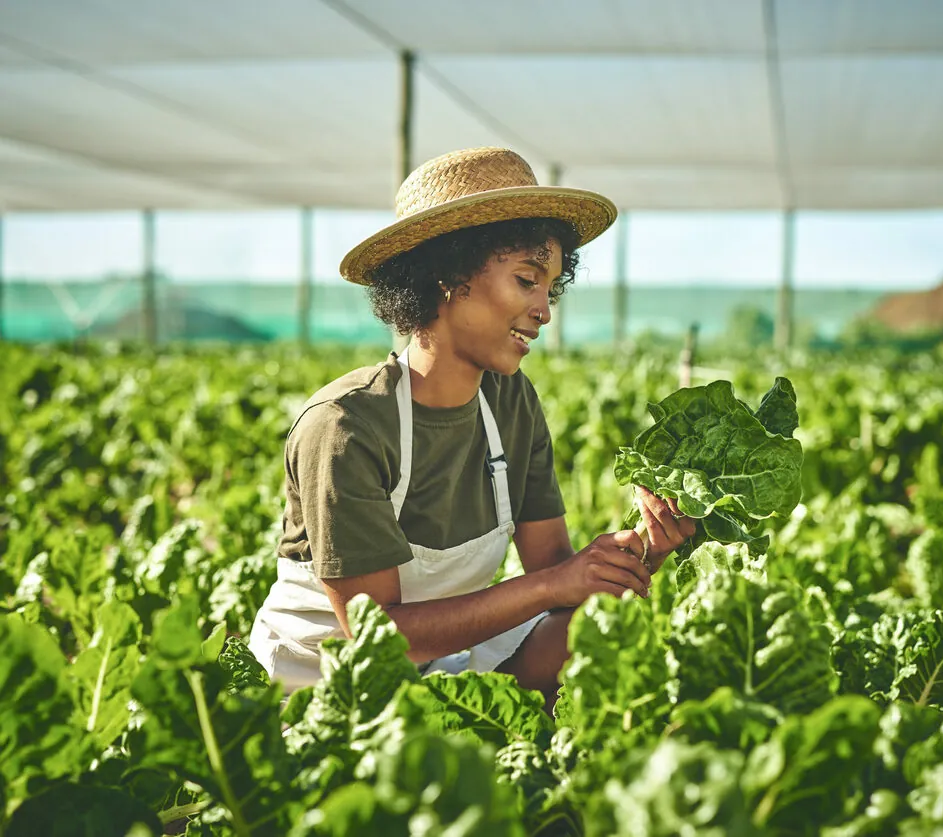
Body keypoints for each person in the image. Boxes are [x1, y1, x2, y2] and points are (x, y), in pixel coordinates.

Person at [247, 147, 696, 710]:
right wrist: (555, 585)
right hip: (320, 689)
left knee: (586, 642)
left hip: (441, 673)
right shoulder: (346, 425)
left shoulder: (513, 403)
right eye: (526, 280)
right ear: (447, 275)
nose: (544, 311)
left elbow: (559, 583)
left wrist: (639, 555)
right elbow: (378, 638)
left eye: (550, 288)